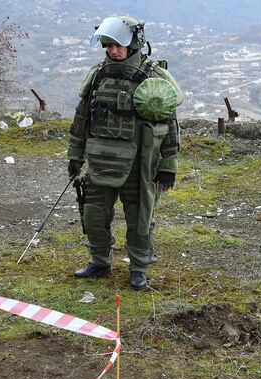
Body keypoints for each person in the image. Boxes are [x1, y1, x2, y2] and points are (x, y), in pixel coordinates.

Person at [67, 15, 183, 290]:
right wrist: (75, 155)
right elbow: (82, 119)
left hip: (138, 163)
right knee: (93, 214)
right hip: (100, 160)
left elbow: (169, 123)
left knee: (139, 218)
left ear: (134, 43)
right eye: (107, 45)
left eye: (117, 45)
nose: (112, 51)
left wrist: (168, 164)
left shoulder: (153, 78)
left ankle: (139, 268)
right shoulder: (98, 76)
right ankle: (99, 260)